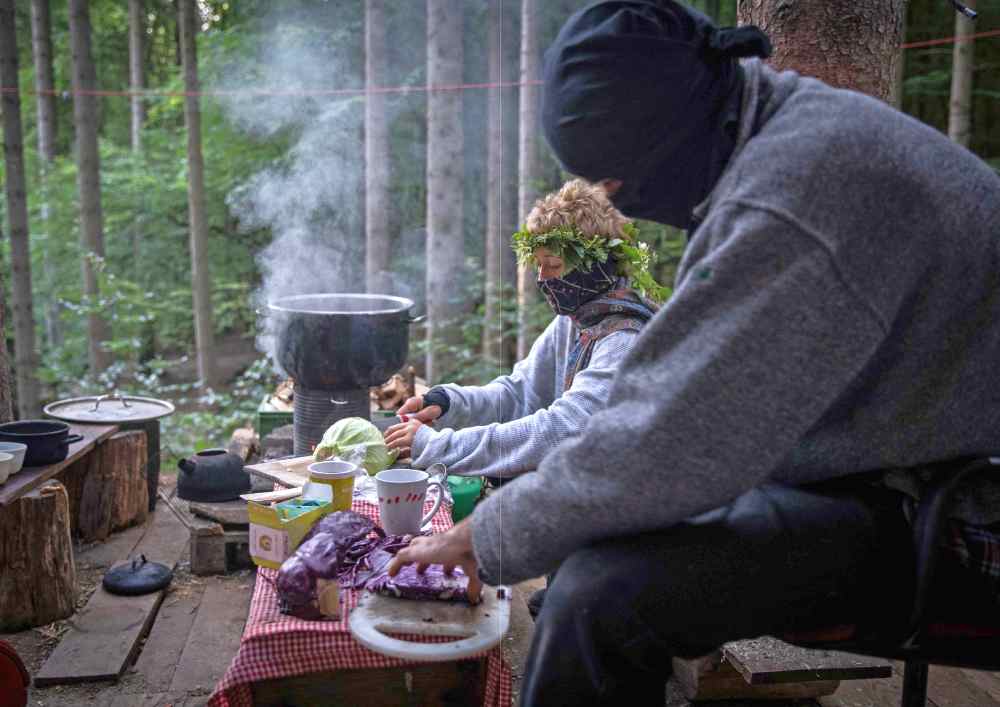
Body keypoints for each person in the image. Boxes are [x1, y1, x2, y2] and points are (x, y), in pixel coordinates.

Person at [389, 1, 1000, 705]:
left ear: (668, 130)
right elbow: (669, 411)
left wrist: (480, 537)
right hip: (896, 469)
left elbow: (672, 438)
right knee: (604, 540)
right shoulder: (776, 139)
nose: (620, 198)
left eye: (614, 178)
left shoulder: (793, 197)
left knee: (599, 593)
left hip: (964, 514)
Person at [383, 178, 661, 483]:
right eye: (538, 265)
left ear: (593, 266)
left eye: (553, 264)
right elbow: (518, 394)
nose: (542, 278)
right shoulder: (575, 321)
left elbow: (563, 429)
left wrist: (437, 446)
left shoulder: (625, 340)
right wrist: (448, 403)